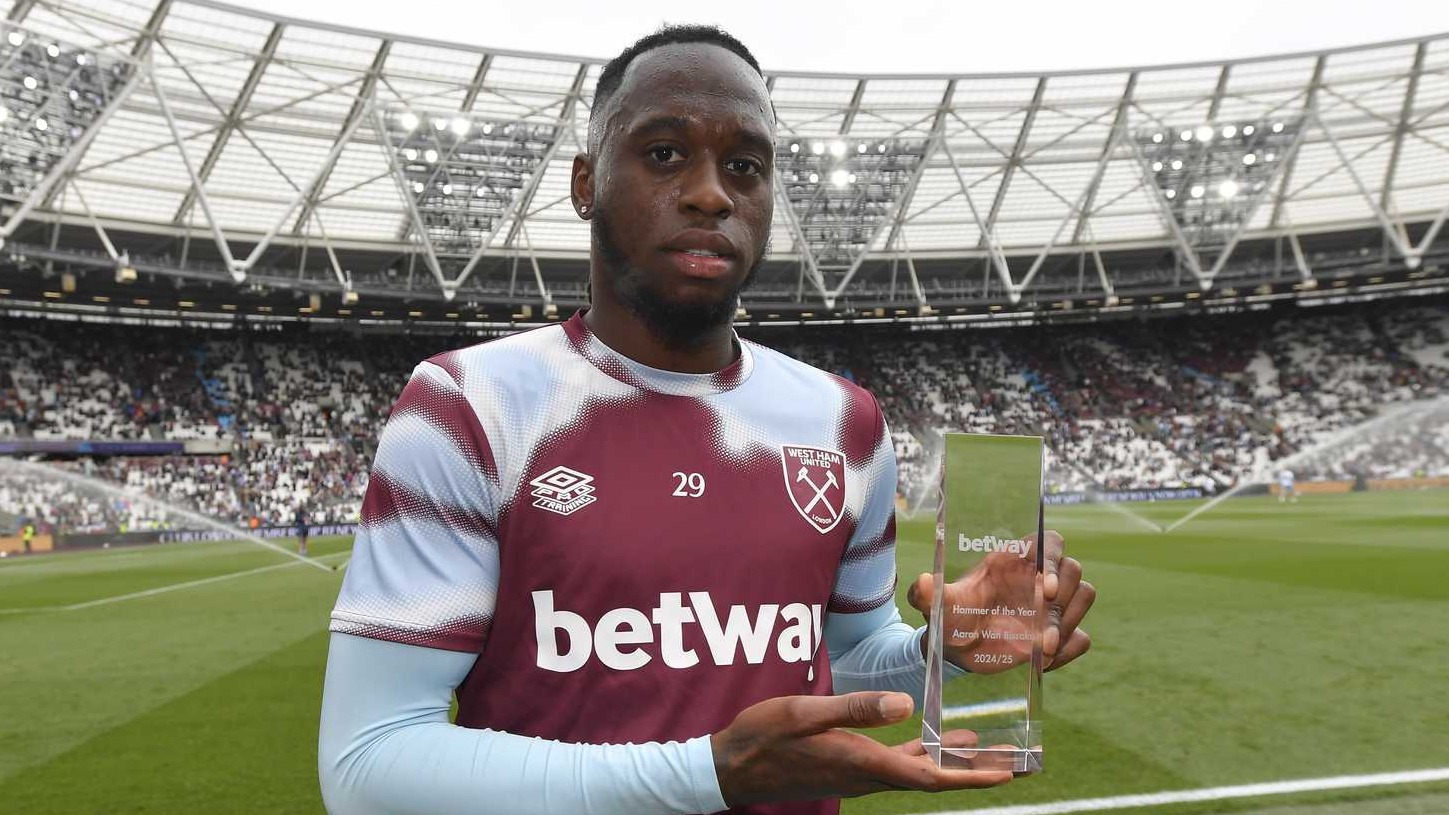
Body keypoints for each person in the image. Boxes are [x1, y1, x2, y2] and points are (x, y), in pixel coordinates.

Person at [318, 26, 1095, 815]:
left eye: (744, 166)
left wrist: (943, 649)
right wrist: (712, 773)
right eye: (663, 154)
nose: (710, 194)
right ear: (586, 183)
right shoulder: (470, 404)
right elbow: (368, 763)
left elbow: (848, 655)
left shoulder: (842, 421)